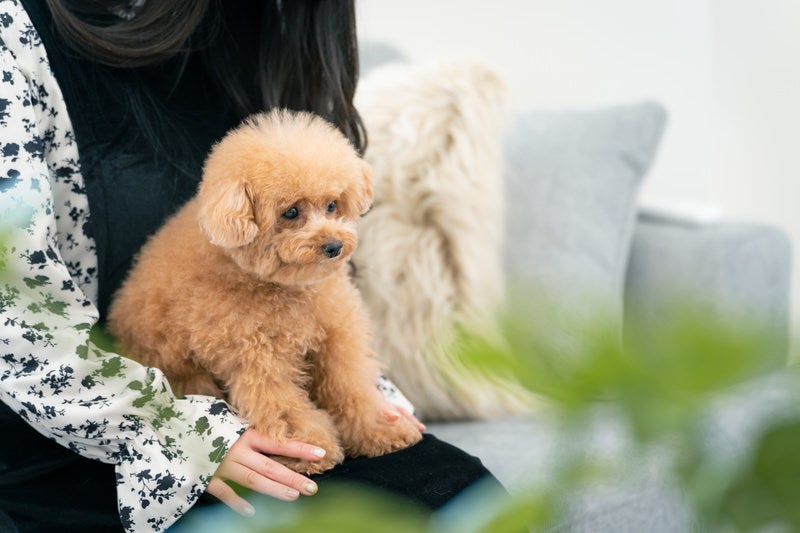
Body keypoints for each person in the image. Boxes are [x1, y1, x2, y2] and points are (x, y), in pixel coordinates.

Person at [0, 0, 500, 531]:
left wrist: (367, 397)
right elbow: (15, 308)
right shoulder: (14, 33)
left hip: (240, 408)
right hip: (80, 434)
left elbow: (319, 300)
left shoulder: (255, 22)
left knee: (467, 500)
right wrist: (167, 428)